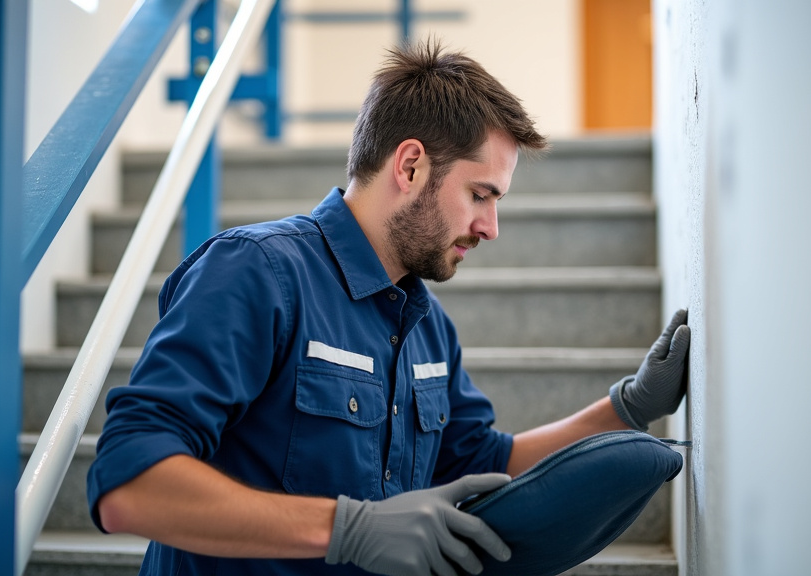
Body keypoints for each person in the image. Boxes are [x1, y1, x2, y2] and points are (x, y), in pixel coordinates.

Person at [87, 39, 690, 576]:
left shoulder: (427, 327)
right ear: (409, 165)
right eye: (480, 195)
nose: (492, 226)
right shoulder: (258, 274)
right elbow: (129, 483)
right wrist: (347, 530)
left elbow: (489, 461)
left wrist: (628, 407)